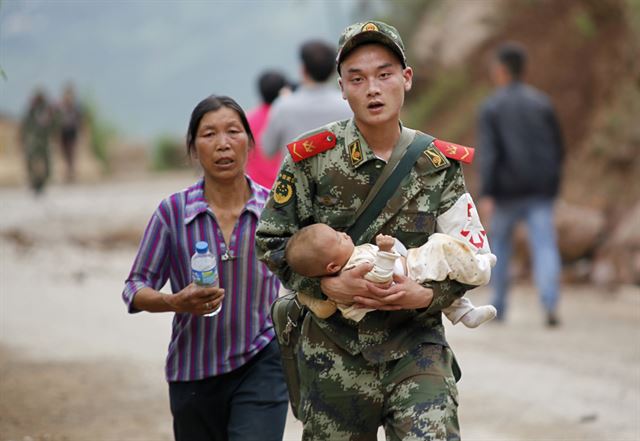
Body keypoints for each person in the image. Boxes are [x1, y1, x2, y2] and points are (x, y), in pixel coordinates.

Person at [256, 20, 489, 440]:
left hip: (416, 346)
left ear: (407, 78)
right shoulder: (311, 159)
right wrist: (327, 286)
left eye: (384, 75)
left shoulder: (437, 165)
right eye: (357, 79)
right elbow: (272, 242)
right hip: (333, 355)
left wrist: (426, 295)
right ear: (342, 88)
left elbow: (467, 253)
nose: (373, 89)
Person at [122, 95, 288, 441]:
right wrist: (174, 302)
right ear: (193, 148)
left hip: (262, 362)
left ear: (250, 142)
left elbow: (306, 276)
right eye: (209, 134)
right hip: (193, 371)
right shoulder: (172, 212)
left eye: (233, 131)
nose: (223, 144)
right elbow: (135, 287)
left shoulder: (275, 210)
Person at [477, 42, 565, 327]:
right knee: (545, 245)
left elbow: (489, 153)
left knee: (500, 247)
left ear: (501, 70)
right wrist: (553, 184)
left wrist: (487, 191)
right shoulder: (541, 102)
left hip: (506, 193)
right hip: (540, 190)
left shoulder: (492, 107)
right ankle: (550, 303)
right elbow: (558, 148)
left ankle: (499, 306)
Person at [285, 223, 497, 327]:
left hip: (410, 273)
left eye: (338, 232)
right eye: (338, 239)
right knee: (442, 245)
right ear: (331, 267)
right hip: (412, 269)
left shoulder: (349, 261)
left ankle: (465, 314)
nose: (344, 234)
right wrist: (386, 251)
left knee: (441, 277)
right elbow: (380, 279)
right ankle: (481, 269)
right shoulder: (356, 265)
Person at [261, 39, 352, 158]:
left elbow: (268, 149)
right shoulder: (348, 103)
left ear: (303, 69)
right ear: (332, 71)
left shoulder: (283, 107)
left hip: (297, 176)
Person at [245, 70, 292, 188]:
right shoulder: (288, 117)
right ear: (283, 90)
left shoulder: (248, 120)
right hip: (285, 188)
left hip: (256, 189)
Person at [20, 89, 55, 195]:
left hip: (44, 139)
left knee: (46, 160)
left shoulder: (48, 110)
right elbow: (26, 124)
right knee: (31, 159)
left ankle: (43, 180)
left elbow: (53, 123)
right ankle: (34, 180)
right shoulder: (32, 110)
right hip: (34, 139)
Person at [57, 83, 83, 183]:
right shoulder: (61, 107)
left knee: (71, 152)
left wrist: (81, 130)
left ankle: (71, 172)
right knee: (65, 153)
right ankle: (68, 172)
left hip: (72, 132)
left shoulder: (76, 107)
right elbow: (57, 120)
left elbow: (80, 119)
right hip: (64, 132)